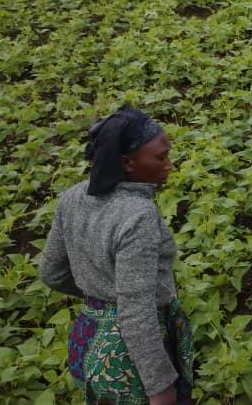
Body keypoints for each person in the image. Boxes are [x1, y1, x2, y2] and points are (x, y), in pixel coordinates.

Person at [40, 105, 194, 405]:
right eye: (161, 157)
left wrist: (101, 297)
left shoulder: (73, 197)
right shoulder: (138, 215)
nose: (170, 165)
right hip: (126, 360)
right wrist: (160, 388)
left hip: (87, 339)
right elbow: (135, 312)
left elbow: (51, 273)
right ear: (127, 163)